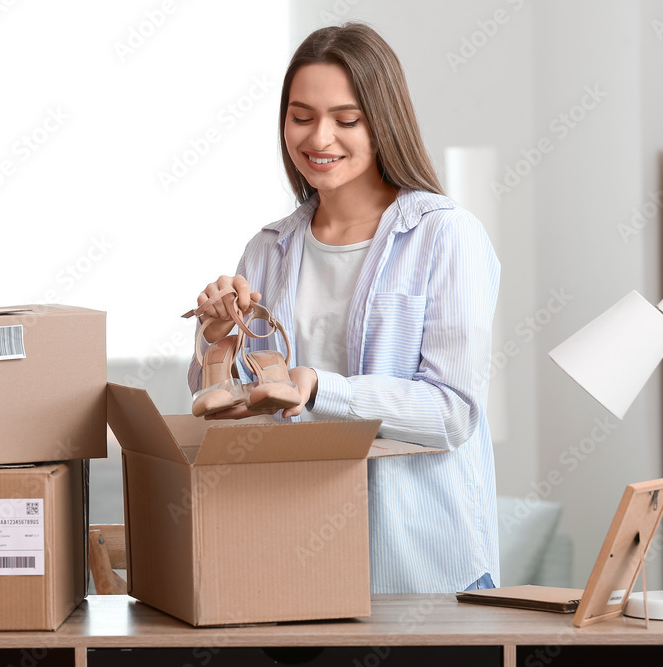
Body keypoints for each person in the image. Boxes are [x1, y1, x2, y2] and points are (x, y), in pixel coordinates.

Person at [186, 22, 500, 594]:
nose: (319, 138)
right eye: (301, 117)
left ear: (384, 123)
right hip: (295, 561)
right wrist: (216, 342)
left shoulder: (445, 236)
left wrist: (316, 388)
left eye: (346, 119)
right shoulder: (268, 248)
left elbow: (452, 413)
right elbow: (241, 411)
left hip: (421, 571)